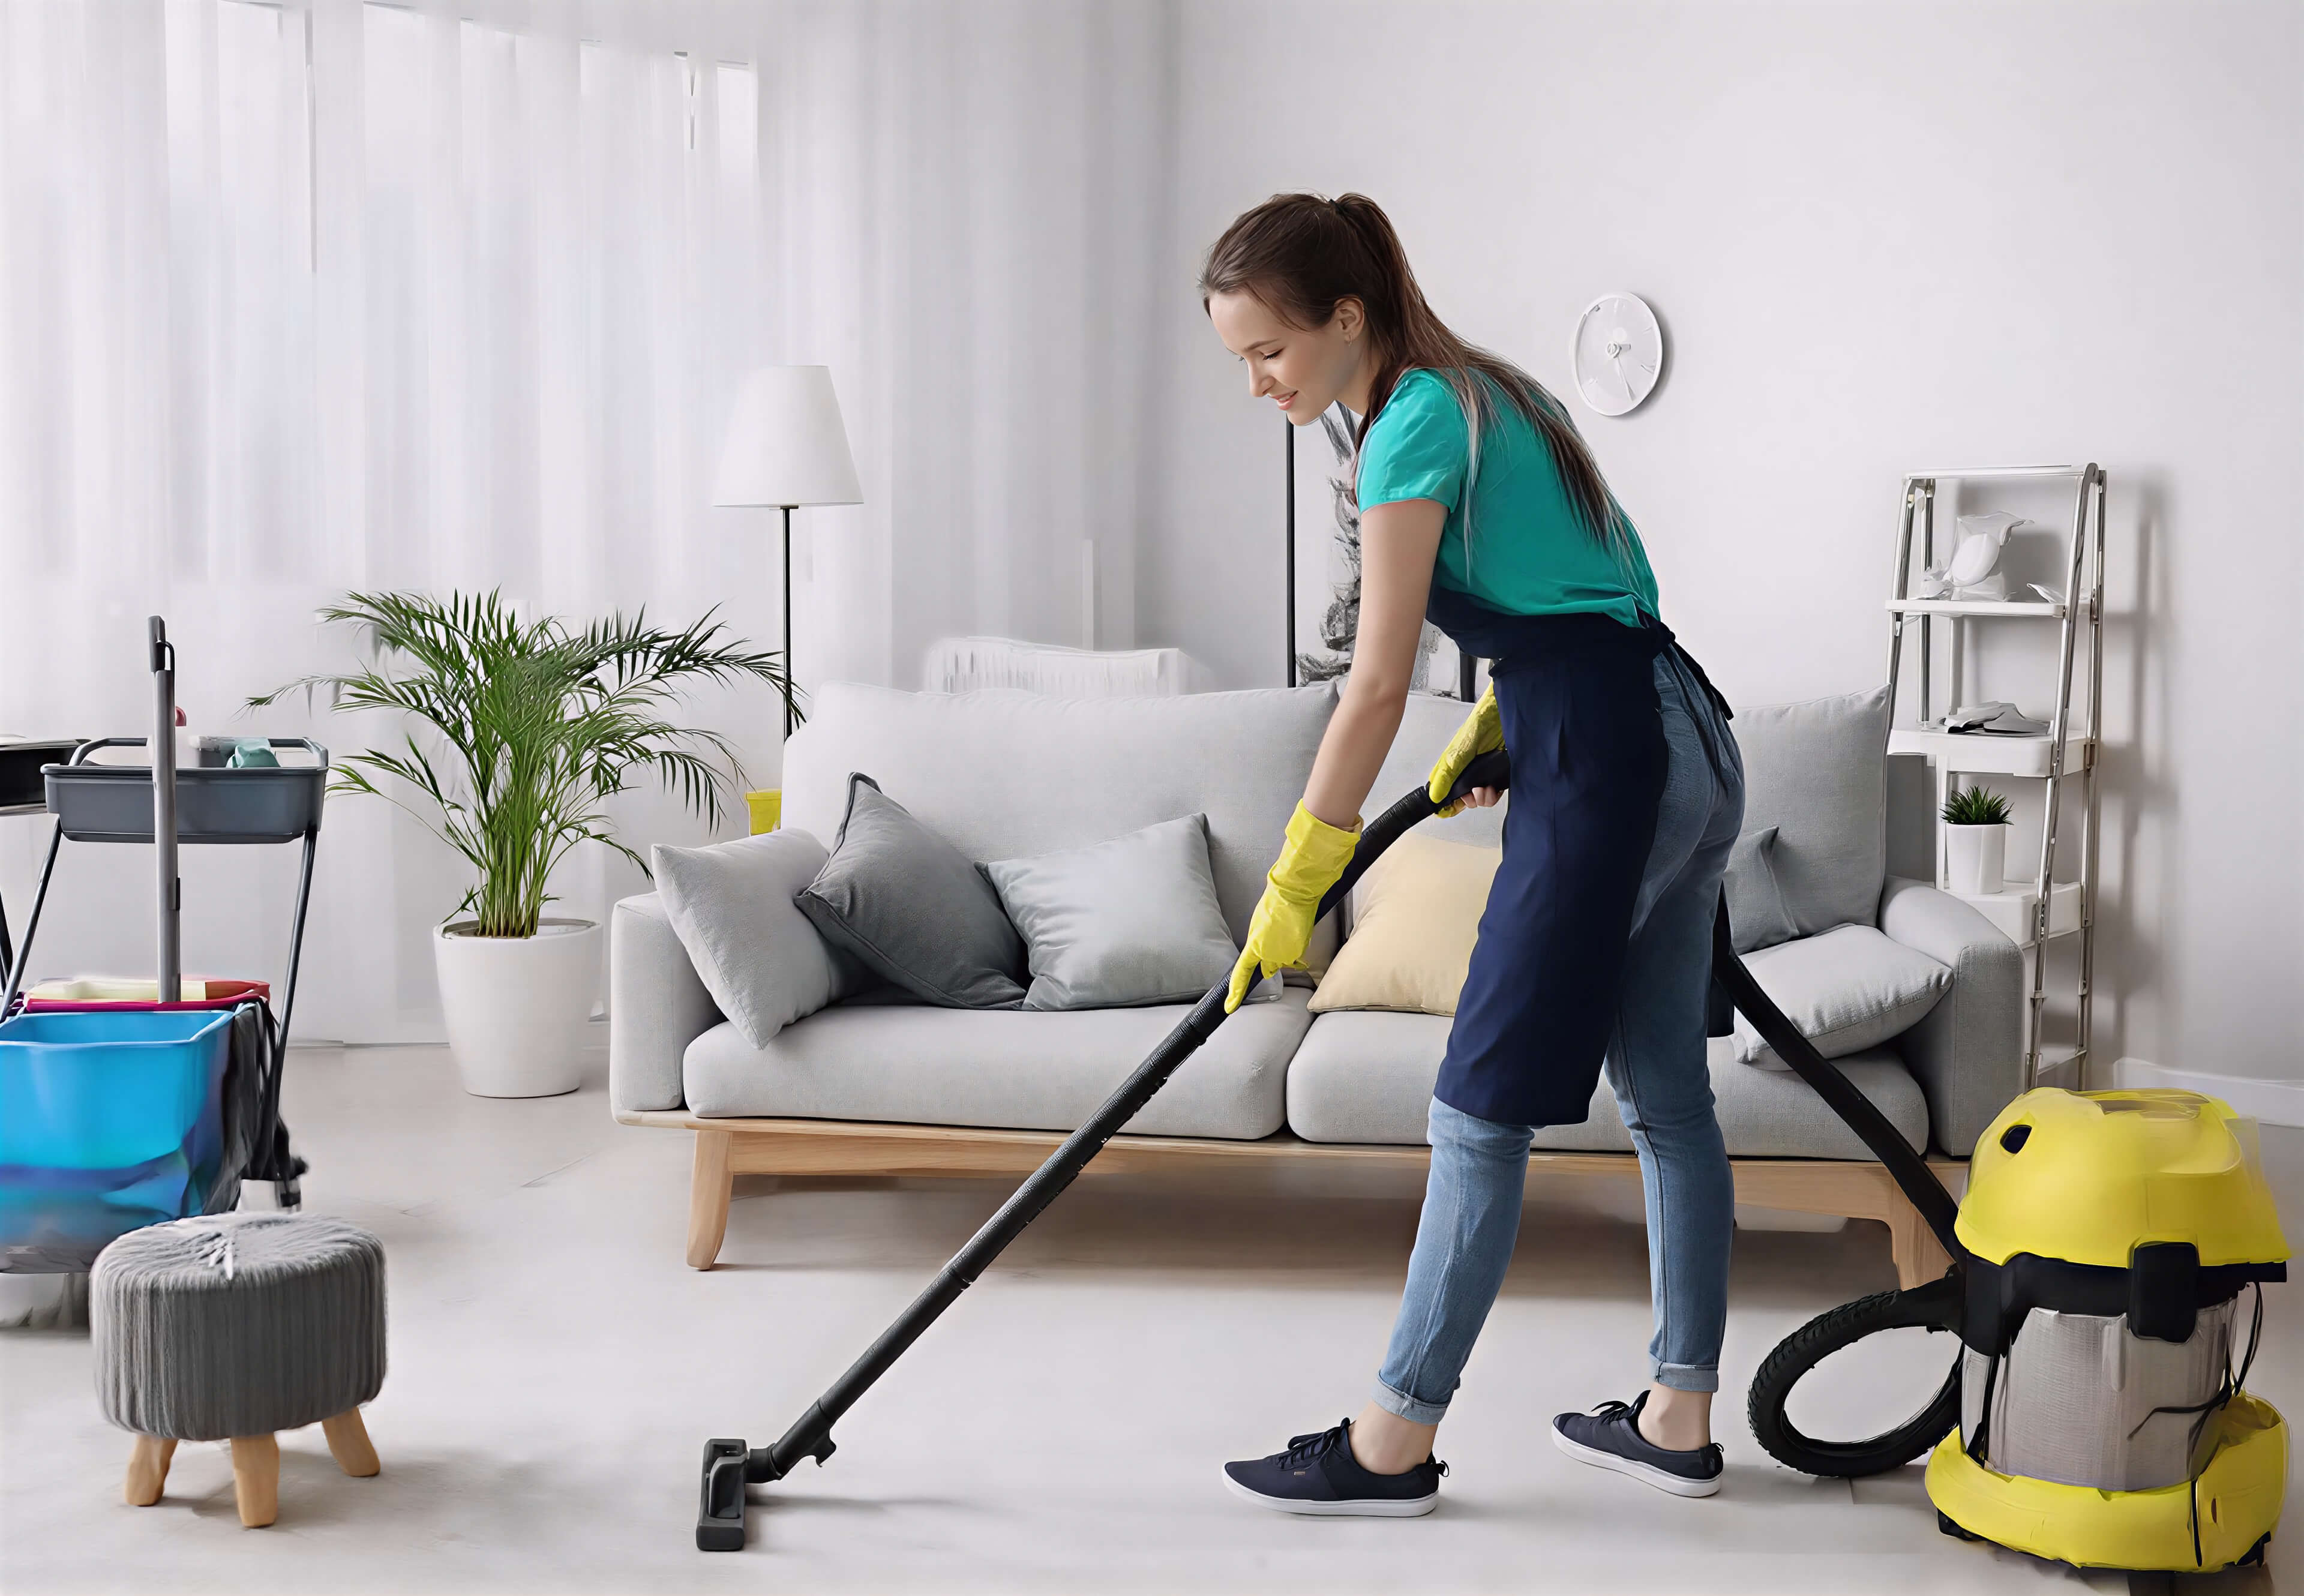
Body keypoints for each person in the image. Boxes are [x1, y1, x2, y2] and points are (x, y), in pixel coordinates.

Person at [1202, 193, 1745, 1516]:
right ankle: (1677, 1412)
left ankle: (1392, 1443)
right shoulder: (1489, 390)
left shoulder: (1413, 421)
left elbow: (1376, 682)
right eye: (1238, 360)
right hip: (1682, 735)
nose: (1258, 382)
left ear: (1346, 318)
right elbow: (1616, 595)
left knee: (1475, 1105)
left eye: (1269, 351)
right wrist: (1512, 712)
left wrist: (1295, 885)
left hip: (1615, 762)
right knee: (1668, 1092)